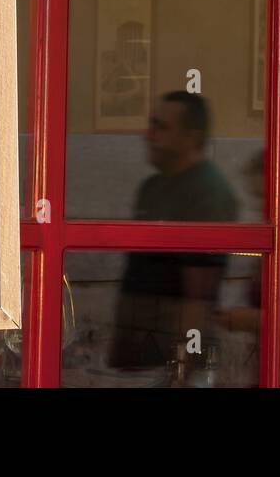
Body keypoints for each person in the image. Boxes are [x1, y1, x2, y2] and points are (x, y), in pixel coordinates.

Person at [108, 92, 239, 373]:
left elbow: (198, 296)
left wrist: (183, 369)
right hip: (137, 354)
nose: (149, 135)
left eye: (161, 127)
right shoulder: (151, 188)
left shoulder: (207, 193)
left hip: (168, 362)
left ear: (191, 138)